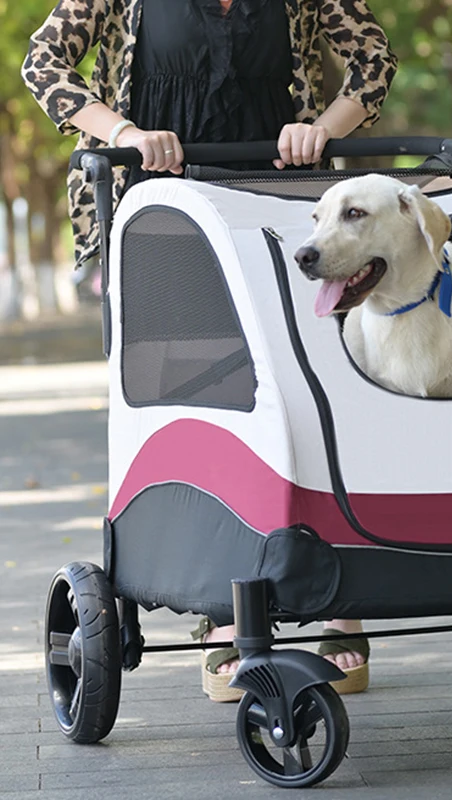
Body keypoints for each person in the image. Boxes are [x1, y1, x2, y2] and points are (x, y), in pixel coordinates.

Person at [22, 0, 397, 699]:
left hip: (282, 208)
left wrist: (321, 128)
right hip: (163, 214)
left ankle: (338, 597)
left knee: (310, 393)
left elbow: (374, 61)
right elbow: (41, 62)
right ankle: (224, 610)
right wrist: (125, 131)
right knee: (201, 404)